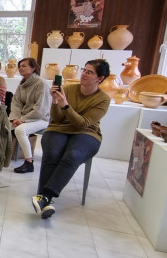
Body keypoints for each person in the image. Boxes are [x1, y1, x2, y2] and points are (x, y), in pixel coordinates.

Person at [32, 59, 110, 219]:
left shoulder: (103, 99)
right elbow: (57, 119)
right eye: (84, 70)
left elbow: (82, 124)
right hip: (59, 128)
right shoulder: (68, 88)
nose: (84, 74)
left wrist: (65, 104)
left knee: (73, 154)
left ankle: (44, 196)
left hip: (87, 133)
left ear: (100, 78)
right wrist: (55, 101)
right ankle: (45, 200)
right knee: (52, 153)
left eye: (90, 72)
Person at [10, 58, 51, 173]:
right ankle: (5, 154)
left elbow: (41, 109)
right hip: (24, 117)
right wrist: (15, 118)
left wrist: (22, 120)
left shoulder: (41, 83)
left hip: (41, 118)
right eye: (20, 66)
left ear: (33, 68)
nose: (20, 68)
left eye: (24, 66)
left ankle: (29, 162)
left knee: (20, 130)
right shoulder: (22, 82)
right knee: (4, 124)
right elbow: (16, 102)